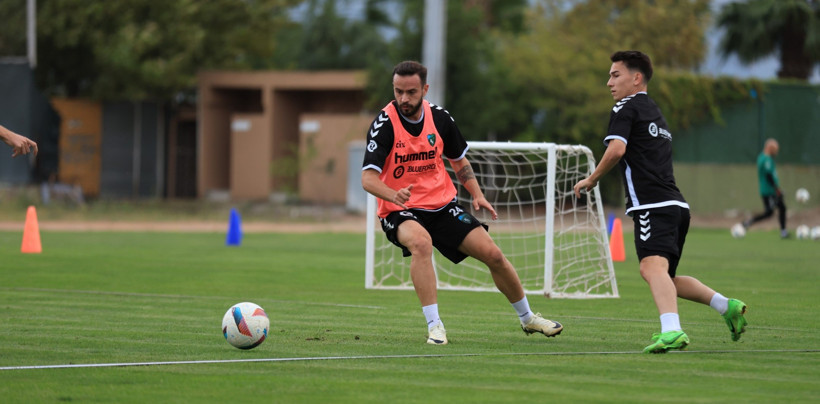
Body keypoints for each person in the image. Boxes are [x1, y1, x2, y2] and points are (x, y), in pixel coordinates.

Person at [361, 61, 563, 345]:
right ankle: (435, 326)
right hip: (400, 209)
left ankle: (528, 318)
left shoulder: (440, 119)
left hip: (442, 206)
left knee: (493, 255)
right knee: (421, 244)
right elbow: (367, 179)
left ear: (425, 89)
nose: (404, 99)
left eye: (411, 92)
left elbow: (458, 161)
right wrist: (392, 194)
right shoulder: (384, 124)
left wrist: (477, 194)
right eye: (398, 91)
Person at [573, 51, 747, 353]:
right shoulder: (654, 110)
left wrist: (592, 179)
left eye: (616, 75)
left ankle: (672, 330)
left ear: (636, 78)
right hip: (676, 207)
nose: (608, 83)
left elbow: (616, 150)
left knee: (652, 269)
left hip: (652, 205)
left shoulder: (625, 106)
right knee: (664, 276)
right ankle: (726, 306)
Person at [742, 139, 788, 238]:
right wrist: (777, 189)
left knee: (781, 208)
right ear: (769, 148)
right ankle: (747, 223)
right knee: (770, 212)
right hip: (769, 191)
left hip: (770, 190)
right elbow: (768, 176)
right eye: (775, 149)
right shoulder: (766, 159)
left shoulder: (764, 158)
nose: (776, 152)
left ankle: (783, 232)